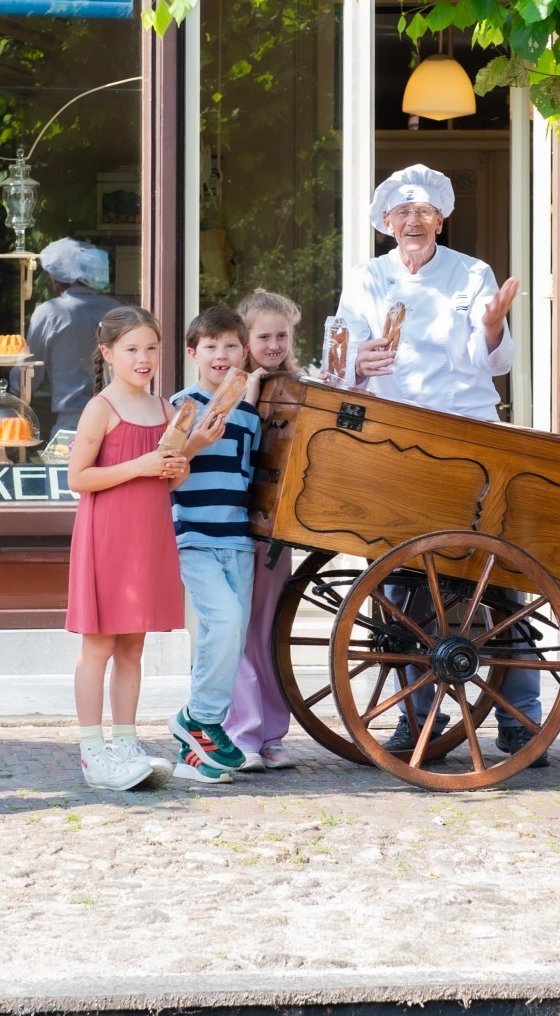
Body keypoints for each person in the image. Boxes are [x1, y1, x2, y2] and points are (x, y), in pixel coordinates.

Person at [333, 164, 546, 765]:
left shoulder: (472, 273)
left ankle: (520, 718)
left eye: (423, 212)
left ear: (440, 220)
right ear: (385, 225)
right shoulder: (366, 279)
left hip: (469, 432)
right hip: (396, 438)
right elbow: (340, 357)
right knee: (402, 583)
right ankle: (416, 715)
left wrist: (494, 322)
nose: (413, 222)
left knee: (500, 578)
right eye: (401, 214)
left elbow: (493, 362)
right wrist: (357, 363)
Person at [65, 306, 190, 792]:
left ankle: (126, 742)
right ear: (108, 354)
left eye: (152, 348)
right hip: (108, 535)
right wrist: (140, 466)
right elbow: (79, 478)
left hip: (148, 534)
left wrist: (178, 463)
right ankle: (92, 752)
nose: (144, 358)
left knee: (134, 646)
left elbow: (174, 474)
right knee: (98, 645)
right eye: (132, 349)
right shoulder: (101, 407)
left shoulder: (165, 409)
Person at [165, 306, 265, 784]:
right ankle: (199, 720)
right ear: (193, 354)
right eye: (211, 347)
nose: (221, 355)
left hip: (238, 540)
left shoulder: (249, 416)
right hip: (194, 538)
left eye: (230, 346)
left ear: (244, 353)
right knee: (222, 622)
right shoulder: (180, 405)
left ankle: (194, 754)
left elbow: (249, 477)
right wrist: (195, 443)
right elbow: (164, 471)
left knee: (226, 636)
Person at [226, 288, 303, 772]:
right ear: (246, 338)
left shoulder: (296, 383)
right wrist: (248, 402)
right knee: (242, 629)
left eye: (282, 335)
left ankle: (272, 732)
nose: (273, 344)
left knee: (270, 629)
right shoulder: (236, 384)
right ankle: (243, 732)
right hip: (239, 521)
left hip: (279, 528)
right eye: (264, 336)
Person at [26, 237, 122, 434]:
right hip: (118, 418)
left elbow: (27, 377)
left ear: (54, 279)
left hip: (71, 425)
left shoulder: (50, 311)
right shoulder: (115, 308)